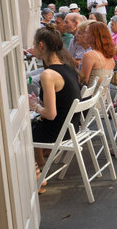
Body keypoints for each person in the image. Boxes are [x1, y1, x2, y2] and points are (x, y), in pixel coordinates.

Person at [29, 26, 81, 171]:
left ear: (41, 45)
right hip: (72, 127)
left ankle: (39, 172)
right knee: (32, 127)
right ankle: (41, 167)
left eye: (34, 44)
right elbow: (62, 101)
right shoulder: (69, 67)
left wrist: (36, 107)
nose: (33, 48)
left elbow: (51, 114)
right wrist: (38, 102)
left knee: (24, 132)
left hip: (58, 132)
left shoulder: (48, 74)